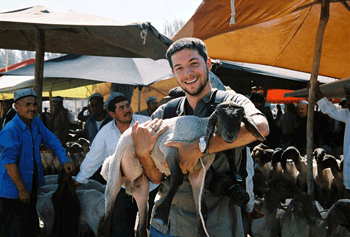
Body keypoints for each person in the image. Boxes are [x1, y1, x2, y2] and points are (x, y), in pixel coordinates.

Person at [131, 37, 269, 237]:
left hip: (218, 225)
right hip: (167, 225)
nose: (187, 73)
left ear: (209, 64)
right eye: (179, 68)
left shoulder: (231, 101)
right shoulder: (165, 113)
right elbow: (156, 178)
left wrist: (200, 147)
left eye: (194, 63)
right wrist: (143, 155)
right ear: (173, 73)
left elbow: (262, 127)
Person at [74, 92, 158, 236]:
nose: (127, 110)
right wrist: (79, 180)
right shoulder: (105, 132)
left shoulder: (146, 122)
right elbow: (93, 158)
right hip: (124, 187)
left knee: (153, 229)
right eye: (121, 108)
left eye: (127, 106)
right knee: (121, 230)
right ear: (112, 113)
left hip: (152, 186)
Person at [0, 88, 73, 236]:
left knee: (30, 225)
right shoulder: (10, 130)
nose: (32, 108)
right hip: (13, 188)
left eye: (34, 104)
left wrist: (64, 160)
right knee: (14, 228)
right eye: (27, 104)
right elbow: (10, 163)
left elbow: (52, 140)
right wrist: (21, 189)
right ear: (16, 107)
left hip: (31, 183)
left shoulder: (35, 123)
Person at [315, 82, 350, 198]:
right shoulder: (348, 115)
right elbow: (331, 110)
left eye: (349, 99)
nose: (347, 103)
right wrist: (318, 93)